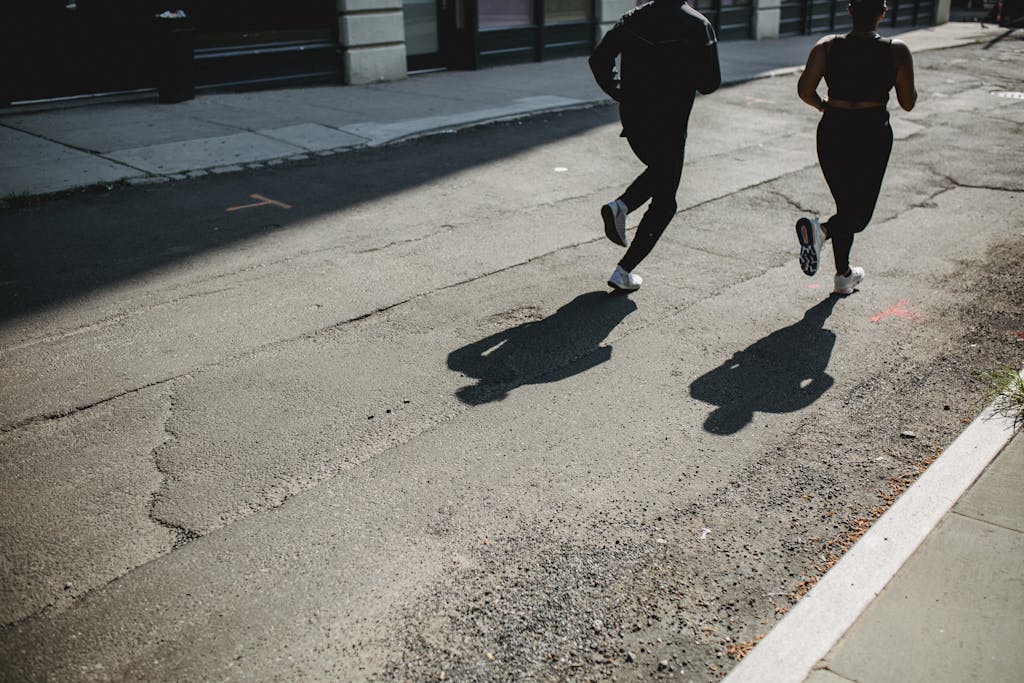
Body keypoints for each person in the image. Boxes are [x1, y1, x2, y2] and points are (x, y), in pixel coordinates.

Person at [589, 0, 721, 292]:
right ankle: (623, 263)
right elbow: (710, 83)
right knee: (665, 201)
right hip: (670, 123)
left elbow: (599, 59)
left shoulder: (632, 19)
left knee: (661, 174)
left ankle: (622, 210)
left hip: (634, 120)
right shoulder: (698, 25)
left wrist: (620, 92)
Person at [795, 0, 917, 295]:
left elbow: (805, 90)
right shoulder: (896, 50)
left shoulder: (827, 47)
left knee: (846, 205)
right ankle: (822, 231)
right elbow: (908, 102)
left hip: (833, 129)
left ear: (850, 10)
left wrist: (823, 105)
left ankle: (843, 275)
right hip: (871, 131)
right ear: (883, 12)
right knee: (858, 217)